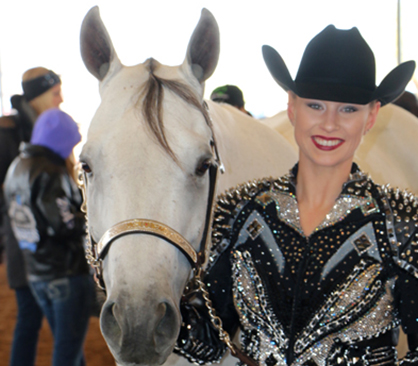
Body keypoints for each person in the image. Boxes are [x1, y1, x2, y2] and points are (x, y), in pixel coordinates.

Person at [174, 25, 418, 366]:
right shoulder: (241, 215)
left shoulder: (401, 226)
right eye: (315, 105)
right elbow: (212, 337)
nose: (329, 123)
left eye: (348, 109)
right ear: (292, 107)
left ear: (371, 116)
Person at [4, 108, 93, 366]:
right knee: (67, 352)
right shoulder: (49, 171)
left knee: (70, 350)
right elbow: (63, 225)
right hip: (65, 274)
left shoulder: (16, 167)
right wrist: (89, 219)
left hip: (36, 272)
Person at [0, 67, 63, 366]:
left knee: (38, 320)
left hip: (48, 244)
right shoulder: (7, 131)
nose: (60, 99)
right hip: (24, 242)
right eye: (55, 93)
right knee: (45, 320)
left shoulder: (47, 129)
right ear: (38, 96)